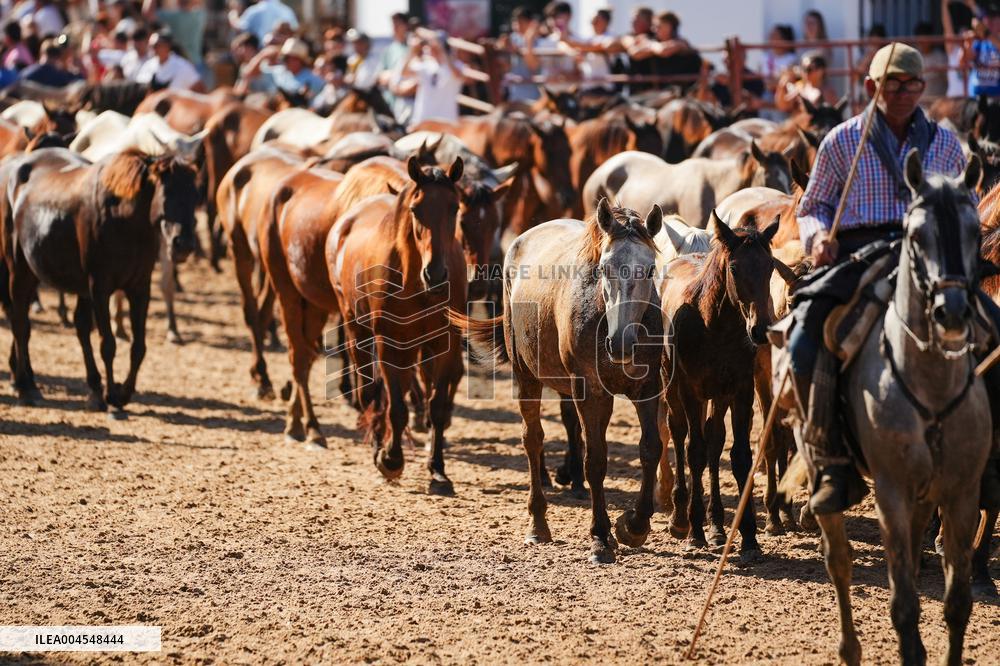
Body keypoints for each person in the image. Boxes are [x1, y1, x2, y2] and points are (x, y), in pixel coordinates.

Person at [791, 42, 1000, 514]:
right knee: (805, 341)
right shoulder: (843, 140)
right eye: (892, 84)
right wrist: (819, 236)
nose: (903, 92)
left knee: (994, 331)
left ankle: (989, 462)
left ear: (923, 87)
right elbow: (814, 206)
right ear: (871, 87)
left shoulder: (945, 144)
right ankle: (831, 463)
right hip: (859, 253)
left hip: (928, 256)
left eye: (911, 84)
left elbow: (964, 208)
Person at [402, 30, 465, 126]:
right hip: (423, 121)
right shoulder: (425, 65)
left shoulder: (457, 66)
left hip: (447, 124)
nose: (429, 48)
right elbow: (404, 73)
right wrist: (412, 50)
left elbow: (458, 75)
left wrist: (442, 50)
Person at [239, 37, 323, 100]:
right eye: (283, 57)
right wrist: (262, 55)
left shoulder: (314, 79)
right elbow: (248, 73)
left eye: (287, 58)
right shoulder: (278, 71)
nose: (284, 61)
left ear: (298, 60)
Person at [134, 31, 203, 91]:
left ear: (167, 46)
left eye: (156, 46)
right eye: (151, 46)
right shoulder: (148, 65)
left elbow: (199, 88)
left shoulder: (183, 66)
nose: (153, 49)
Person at [963, 3, 1000, 96]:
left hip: (997, 98)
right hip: (976, 97)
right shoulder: (978, 41)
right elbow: (965, 60)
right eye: (986, 17)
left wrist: (985, 32)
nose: (989, 21)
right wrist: (968, 43)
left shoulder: (991, 37)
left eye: (994, 17)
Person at [941, 0, 974, 97]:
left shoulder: (975, 50)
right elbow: (947, 27)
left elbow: (982, 28)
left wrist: (973, 6)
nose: (963, 36)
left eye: (966, 33)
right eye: (960, 34)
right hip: (954, 98)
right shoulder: (953, 50)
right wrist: (944, 5)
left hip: (970, 100)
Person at [229, 0, 298, 45]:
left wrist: (233, 14)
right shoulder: (287, 10)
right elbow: (295, 31)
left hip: (263, 53)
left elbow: (239, 27)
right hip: (282, 55)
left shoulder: (255, 10)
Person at [622, 6, 654, 93]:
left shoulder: (656, 37)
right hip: (635, 88)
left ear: (648, 22)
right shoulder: (629, 36)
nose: (633, 23)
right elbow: (635, 53)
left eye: (636, 20)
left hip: (653, 88)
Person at [915, 21, 948, 97]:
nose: (922, 43)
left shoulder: (940, 57)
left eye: (925, 40)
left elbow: (948, 79)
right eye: (920, 40)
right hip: (920, 103)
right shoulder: (914, 57)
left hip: (938, 102)